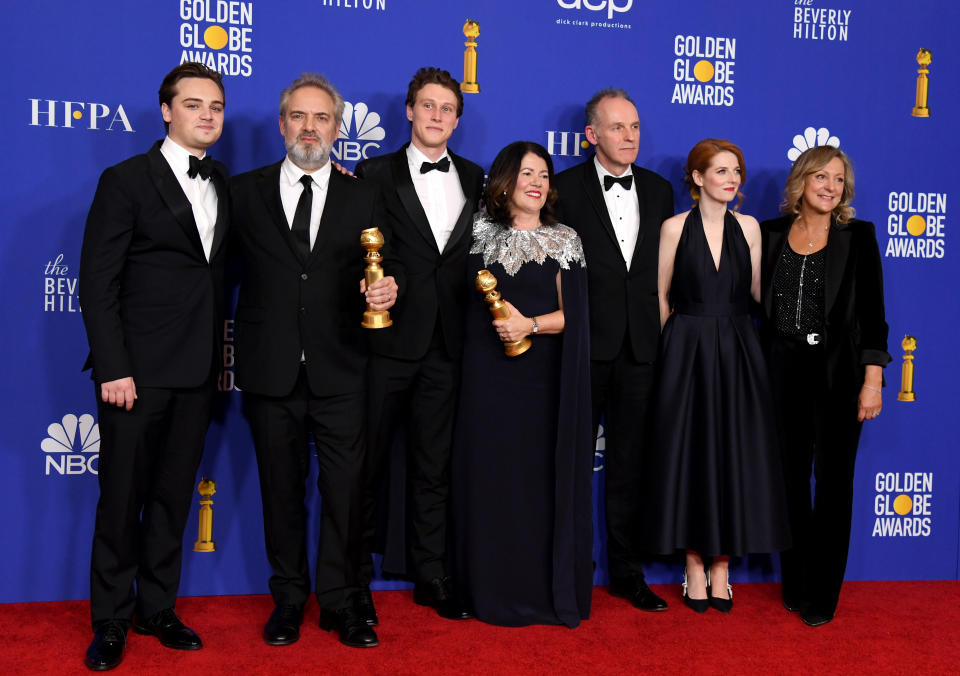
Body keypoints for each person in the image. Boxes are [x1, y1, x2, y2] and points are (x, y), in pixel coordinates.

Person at [230, 73, 394, 649]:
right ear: (282, 125)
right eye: (298, 116)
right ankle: (289, 600)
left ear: (337, 127)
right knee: (280, 491)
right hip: (269, 368)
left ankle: (343, 602)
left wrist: (387, 290)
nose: (309, 127)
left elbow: (384, 270)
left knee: (346, 493)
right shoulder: (242, 191)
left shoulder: (364, 194)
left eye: (321, 118)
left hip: (343, 368)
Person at [78, 62, 228, 671]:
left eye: (216, 106)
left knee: (171, 500)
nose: (207, 115)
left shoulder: (226, 183)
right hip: (133, 375)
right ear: (166, 111)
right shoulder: (126, 180)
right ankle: (111, 618)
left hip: (197, 373)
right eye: (194, 105)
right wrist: (114, 366)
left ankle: (157, 608)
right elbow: (98, 280)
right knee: (122, 499)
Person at [354, 67, 483, 623]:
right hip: (387, 344)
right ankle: (352, 579)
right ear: (408, 111)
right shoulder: (372, 172)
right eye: (426, 106)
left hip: (451, 346)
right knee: (365, 465)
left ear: (457, 117)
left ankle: (431, 574)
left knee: (435, 466)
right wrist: (365, 285)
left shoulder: (478, 178)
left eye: (446, 108)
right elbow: (352, 251)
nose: (436, 116)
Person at [640, 139, 791, 613]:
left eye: (736, 172)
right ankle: (691, 566)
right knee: (687, 454)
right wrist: (671, 355)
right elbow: (660, 297)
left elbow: (759, 295)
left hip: (738, 348)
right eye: (721, 170)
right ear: (697, 177)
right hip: (685, 348)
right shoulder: (672, 227)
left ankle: (722, 565)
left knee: (733, 454)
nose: (731, 179)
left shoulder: (749, 228)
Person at [451, 141, 592, 627]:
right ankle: (484, 588)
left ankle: (537, 589)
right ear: (504, 181)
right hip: (485, 382)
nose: (537, 182)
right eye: (527, 173)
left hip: (541, 384)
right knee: (490, 481)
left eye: (545, 174)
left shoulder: (565, 239)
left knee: (535, 483)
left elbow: (574, 316)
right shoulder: (476, 235)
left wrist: (528, 324)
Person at [759, 146, 890, 627]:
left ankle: (824, 594)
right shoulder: (771, 235)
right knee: (790, 484)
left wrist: (872, 380)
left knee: (834, 487)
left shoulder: (858, 236)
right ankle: (794, 581)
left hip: (838, 376)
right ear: (800, 182)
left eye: (839, 179)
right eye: (821, 176)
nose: (830, 186)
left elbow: (874, 318)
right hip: (782, 373)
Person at [553, 88, 673, 611]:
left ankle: (627, 571)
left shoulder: (662, 190)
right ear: (591, 135)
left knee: (631, 467)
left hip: (643, 348)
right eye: (618, 127)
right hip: (580, 345)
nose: (630, 137)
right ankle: (569, 570)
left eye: (636, 127)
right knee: (571, 463)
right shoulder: (560, 189)